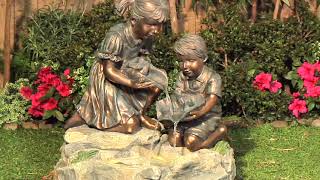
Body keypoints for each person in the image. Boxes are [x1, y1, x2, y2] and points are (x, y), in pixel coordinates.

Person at [64, 0, 169, 134]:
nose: (157, 30)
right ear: (133, 20)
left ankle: (141, 114)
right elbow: (108, 71)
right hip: (108, 78)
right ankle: (94, 121)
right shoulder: (116, 37)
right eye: (152, 24)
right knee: (131, 126)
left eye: (161, 25)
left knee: (158, 81)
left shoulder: (147, 36)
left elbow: (141, 56)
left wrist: (143, 68)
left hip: (128, 70)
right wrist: (132, 83)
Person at [156, 35, 227, 152]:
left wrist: (201, 112)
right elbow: (177, 96)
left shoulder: (213, 77)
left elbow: (212, 99)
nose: (185, 66)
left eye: (190, 61)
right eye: (181, 61)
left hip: (206, 117)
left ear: (203, 58)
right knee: (174, 141)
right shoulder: (182, 76)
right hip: (185, 116)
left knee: (191, 143)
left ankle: (219, 132)